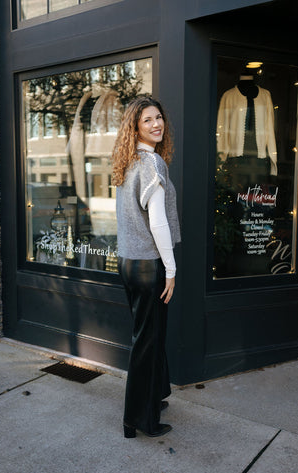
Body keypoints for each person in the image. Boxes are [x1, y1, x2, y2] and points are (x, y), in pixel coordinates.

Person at [112, 97, 181, 438]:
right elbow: (158, 223)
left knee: (148, 338)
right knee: (146, 343)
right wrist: (170, 269)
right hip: (147, 265)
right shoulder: (152, 164)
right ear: (135, 127)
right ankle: (137, 420)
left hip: (127, 262)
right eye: (147, 120)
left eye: (159, 117)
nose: (156, 124)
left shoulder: (129, 161)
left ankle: (154, 396)